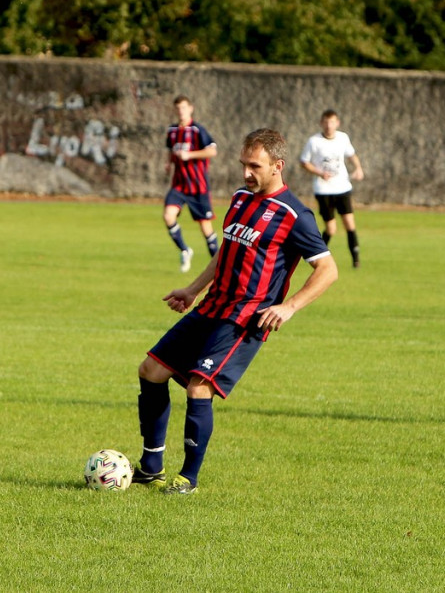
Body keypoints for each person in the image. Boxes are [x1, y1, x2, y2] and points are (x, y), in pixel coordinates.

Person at [133, 128, 338, 494]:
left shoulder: (295, 215)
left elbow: (328, 269)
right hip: (213, 306)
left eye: (254, 166)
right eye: (243, 164)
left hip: (246, 317)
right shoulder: (241, 198)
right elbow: (226, 251)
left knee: (199, 388)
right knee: (150, 370)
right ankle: (150, 466)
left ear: (278, 166)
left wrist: (289, 307)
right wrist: (193, 290)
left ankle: (188, 480)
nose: (246, 173)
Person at [299, 109, 364, 267]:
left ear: (337, 123)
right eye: (326, 122)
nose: (329, 125)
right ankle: (318, 255)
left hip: (342, 187)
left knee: (349, 223)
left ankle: (355, 260)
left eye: (332, 122)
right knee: (331, 228)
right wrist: (319, 173)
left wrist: (358, 168)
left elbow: (351, 155)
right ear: (321, 123)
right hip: (324, 190)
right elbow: (304, 162)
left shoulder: (343, 138)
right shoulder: (314, 141)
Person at [163, 95, 219, 272]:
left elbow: (212, 151)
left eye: (184, 107)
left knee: (205, 228)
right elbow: (170, 150)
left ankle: (220, 267)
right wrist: (168, 163)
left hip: (197, 186)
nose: (181, 111)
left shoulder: (197, 130)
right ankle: (185, 250)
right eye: (178, 108)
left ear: (191, 108)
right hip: (179, 185)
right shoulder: (172, 131)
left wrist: (190, 155)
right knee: (168, 216)